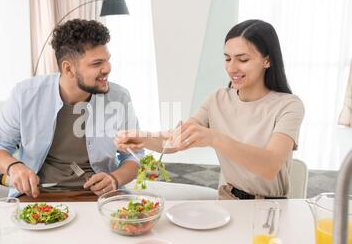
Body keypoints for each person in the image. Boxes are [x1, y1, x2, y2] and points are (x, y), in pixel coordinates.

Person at [115, 19, 304, 200]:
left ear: (267, 61)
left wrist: (214, 138)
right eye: (228, 58)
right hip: (228, 200)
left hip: (272, 208)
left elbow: (269, 166)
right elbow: (175, 140)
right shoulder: (218, 99)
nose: (232, 68)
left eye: (243, 59)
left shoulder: (289, 105)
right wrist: (142, 137)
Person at [0, 19, 143, 199]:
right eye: (97, 64)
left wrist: (115, 178)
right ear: (68, 68)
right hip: (38, 195)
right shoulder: (24, 95)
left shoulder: (119, 97)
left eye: (107, 60)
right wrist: (14, 167)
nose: (107, 68)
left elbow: (135, 155)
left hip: (101, 196)